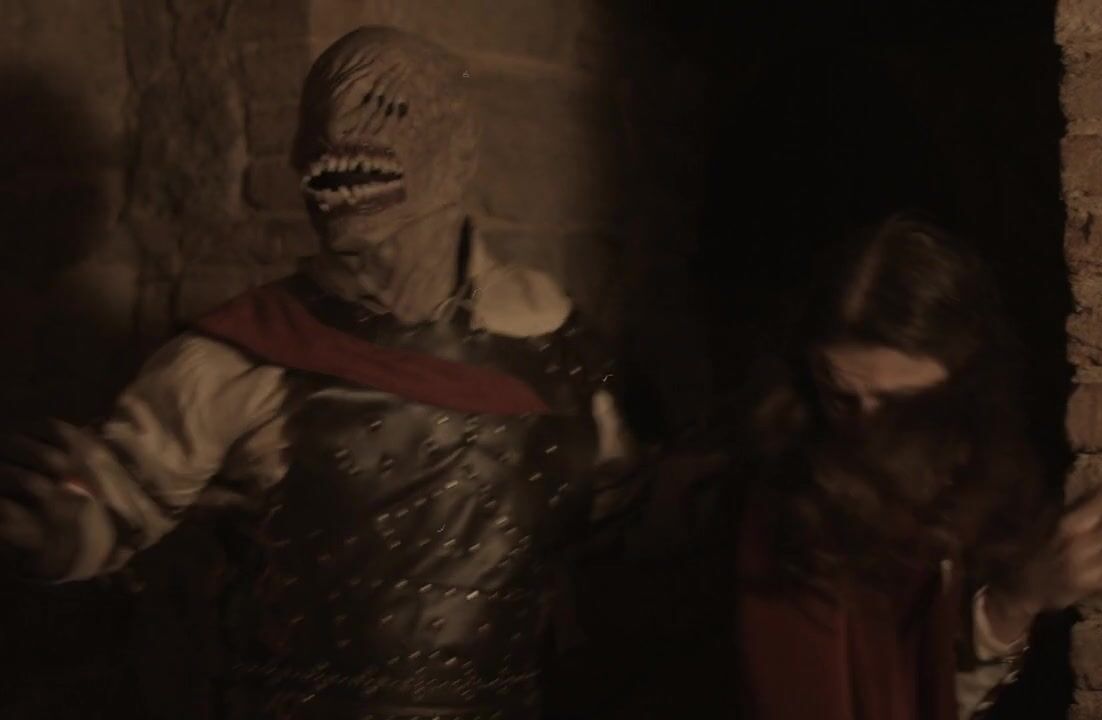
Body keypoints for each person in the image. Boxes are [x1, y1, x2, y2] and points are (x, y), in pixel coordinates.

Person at [0, 26, 641, 720]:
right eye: (317, 119)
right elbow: (113, 504)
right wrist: (64, 530)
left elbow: (619, 523)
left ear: (457, 149)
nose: (333, 133)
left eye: (385, 107)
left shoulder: (553, 339)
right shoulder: (243, 351)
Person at [736, 214, 1102, 719]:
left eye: (900, 403)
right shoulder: (791, 506)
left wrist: (1016, 599)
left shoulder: (988, 463)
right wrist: (1010, 605)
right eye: (841, 397)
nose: (868, 427)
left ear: (959, 378)